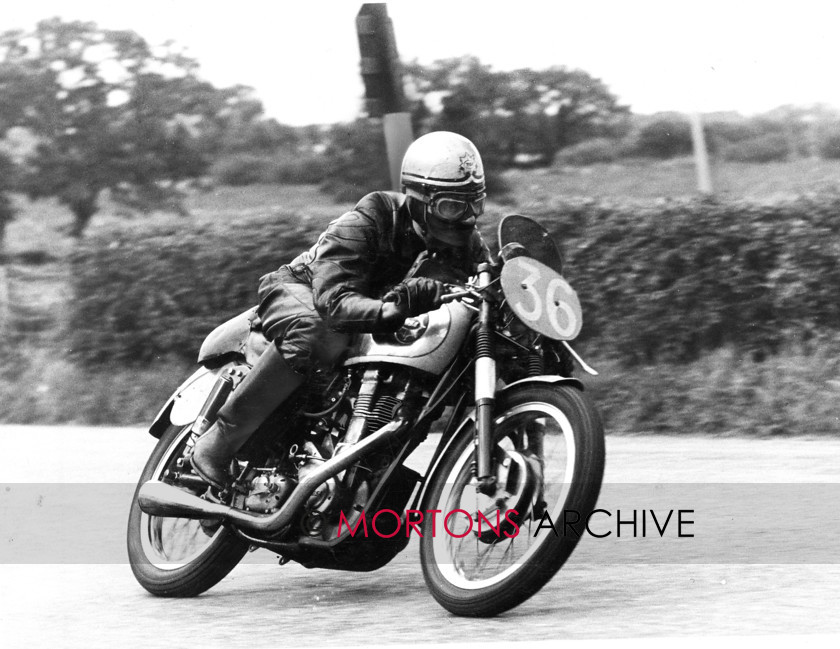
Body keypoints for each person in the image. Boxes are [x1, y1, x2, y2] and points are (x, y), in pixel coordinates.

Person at [190, 131, 490, 490]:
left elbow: (489, 285)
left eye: (475, 205)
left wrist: (516, 270)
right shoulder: (373, 216)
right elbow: (332, 300)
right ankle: (217, 444)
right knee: (317, 330)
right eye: (452, 206)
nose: (466, 218)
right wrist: (393, 307)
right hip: (303, 289)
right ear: (419, 198)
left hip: (367, 316)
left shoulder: (465, 245)